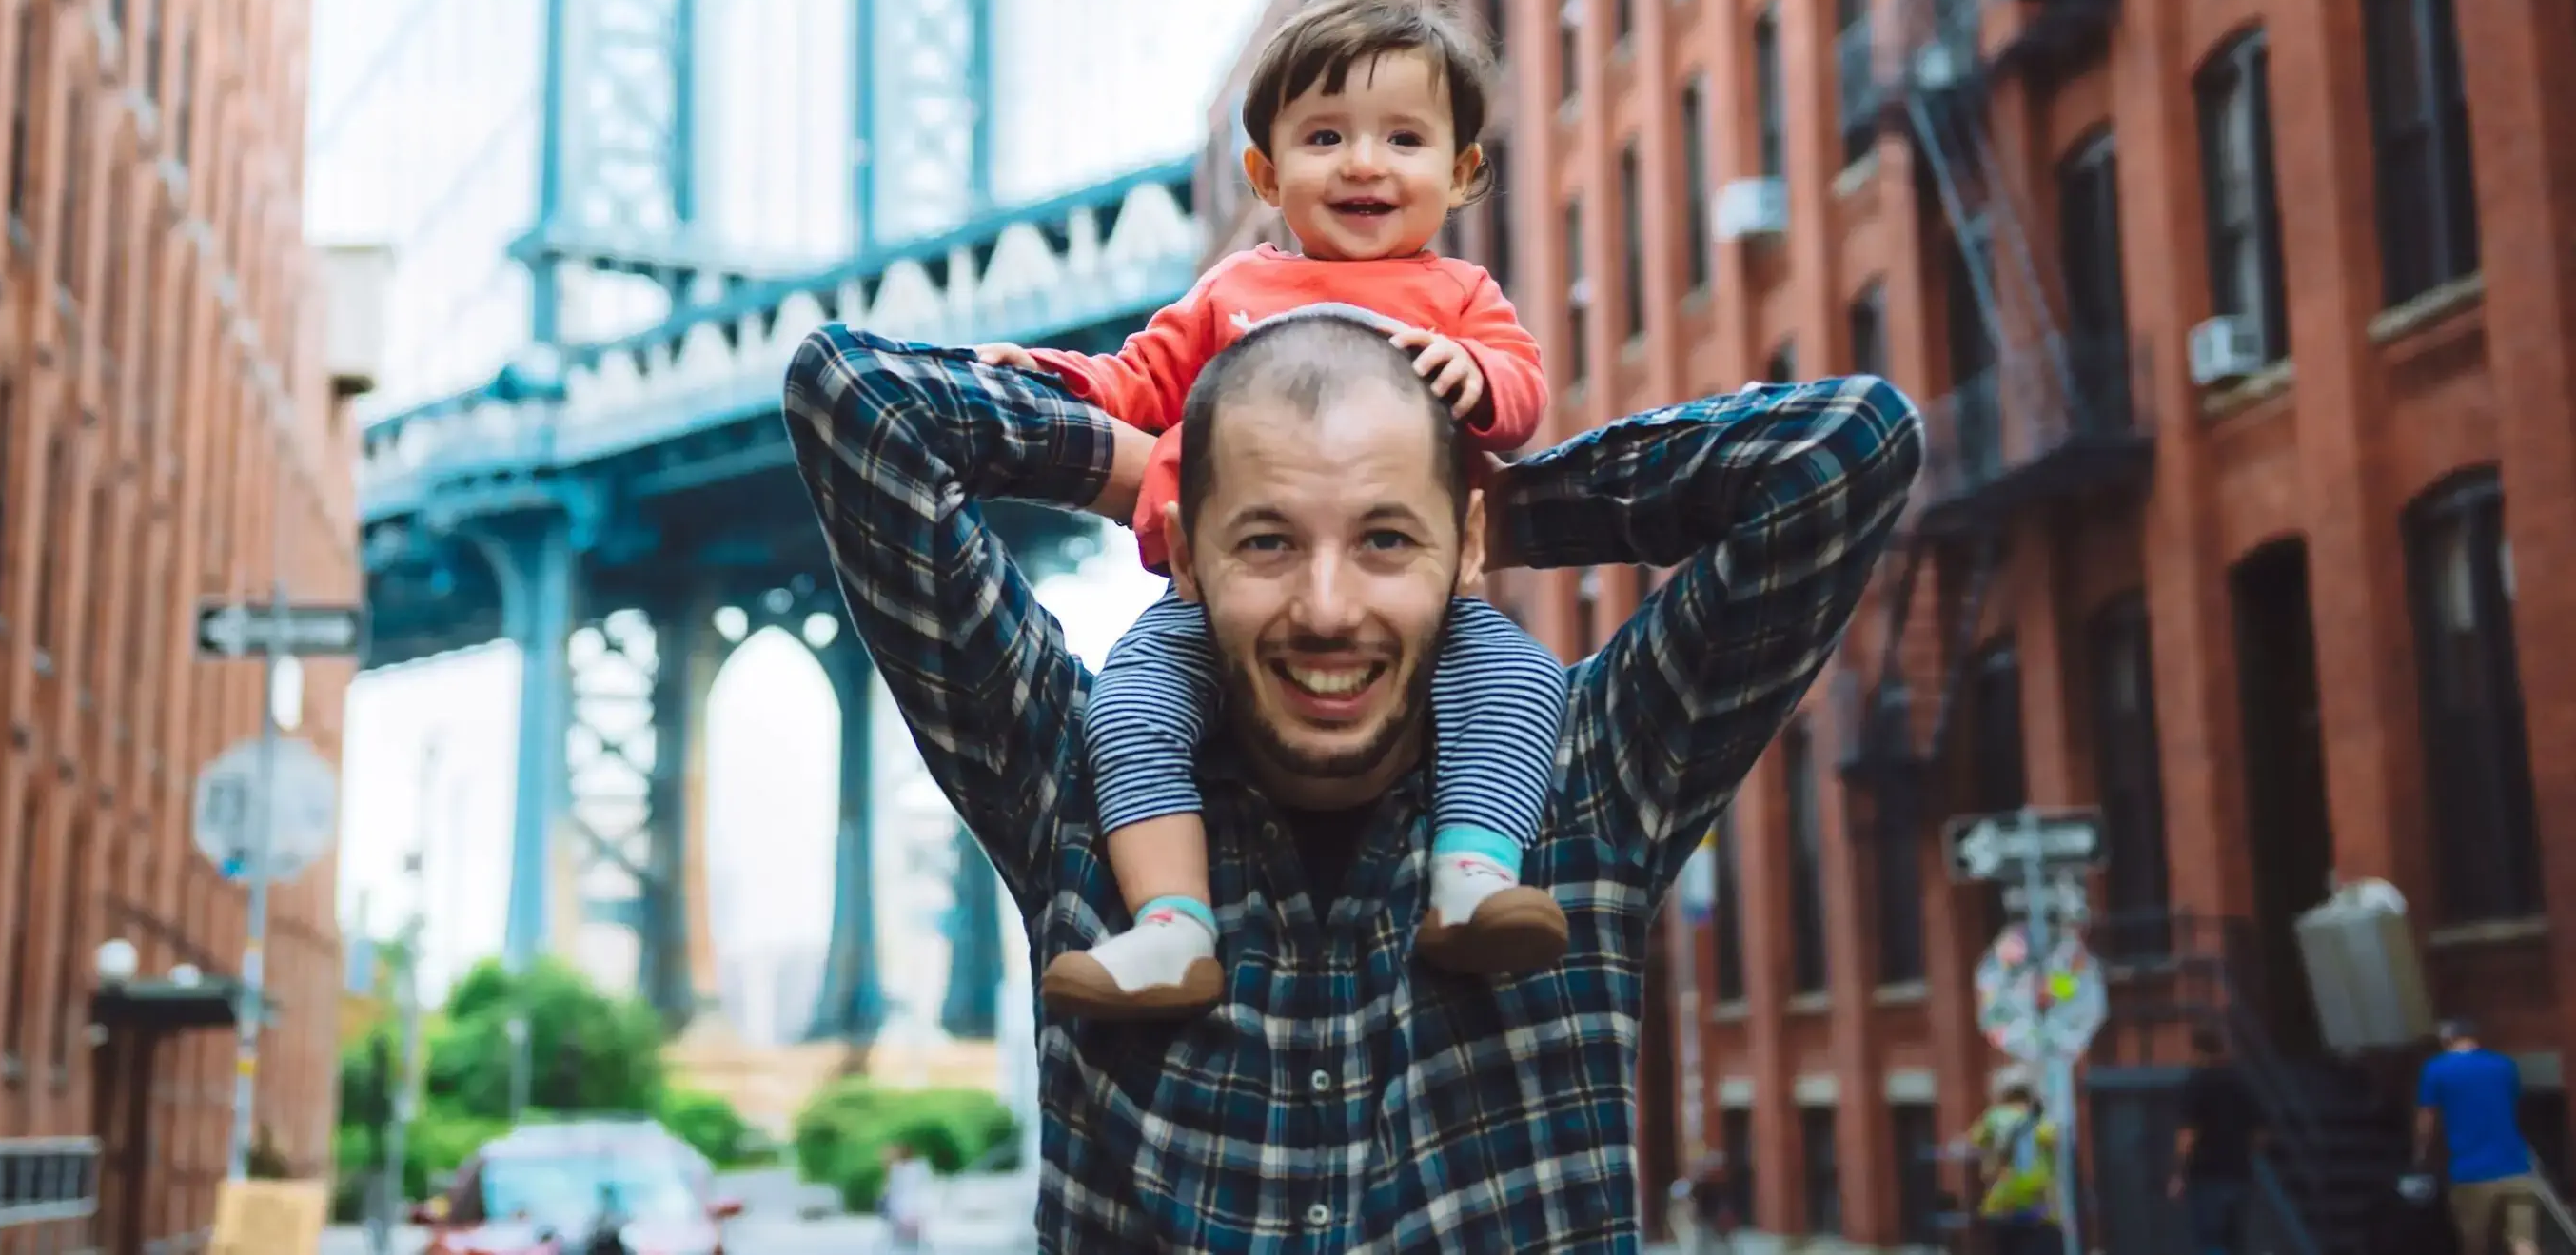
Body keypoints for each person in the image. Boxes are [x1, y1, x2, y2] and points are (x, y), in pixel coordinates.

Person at [780, 302, 1922, 1246]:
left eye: (1385, 540)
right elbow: (857, 402)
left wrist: (1482, 509)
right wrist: (1148, 474)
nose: (1328, 611)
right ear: (1185, 552)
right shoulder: (1073, 779)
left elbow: (1845, 447)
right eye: (1266, 540)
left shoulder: (1587, 771)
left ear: (1466, 547)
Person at [973, 0, 1567, 1016]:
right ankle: (1172, 925)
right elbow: (1135, 379)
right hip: (1210, 609)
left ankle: (1473, 876)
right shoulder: (1228, 292)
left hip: (1427, 613)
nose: (1365, 163)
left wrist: (1481, 380)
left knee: (1519, 679)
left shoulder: (1463, 300)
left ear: (1464, 171)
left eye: (1405, 139)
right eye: (1326, 135)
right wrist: (1057, 382)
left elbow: (1521, 397)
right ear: (1266, 171)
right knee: (1128, 709)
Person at [2416, 1019, 2557, 1255]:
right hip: (2517, 1168)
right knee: (2523, 1242)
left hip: (2470, 1173)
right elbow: (2513, 1103)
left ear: (2446, 1039)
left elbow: (2426, 1118)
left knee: (2475, 1246)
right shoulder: (2504, 1065)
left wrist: (2421, 1153)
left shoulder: (2436, 1069)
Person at [2169, 1026, 2266, 1252]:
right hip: (2239, 1173)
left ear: (2196, 1051)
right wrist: (2245, 1153)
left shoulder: (2196, 1083)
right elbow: (2261, 1133)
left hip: (2207, 1175)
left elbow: (2187, 1134)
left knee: (2210, 1239)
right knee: (2236, 1241)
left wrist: (2178, 1173)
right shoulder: (2241, 1083)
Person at [1968, 1067, 2060, 1255]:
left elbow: (1974, 1140)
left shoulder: (1992, 1117)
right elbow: (2053, 1139)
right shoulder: (2039, 1121)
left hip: (2001, 1207)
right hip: (2038, 1209)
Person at [877, 1144, 934, 1251]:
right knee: (908, 1235)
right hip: (909, 1206)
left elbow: (891, 1189)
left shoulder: (902, 1169)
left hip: (907, 1206)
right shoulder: (916, 1167)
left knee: (904, 1235)